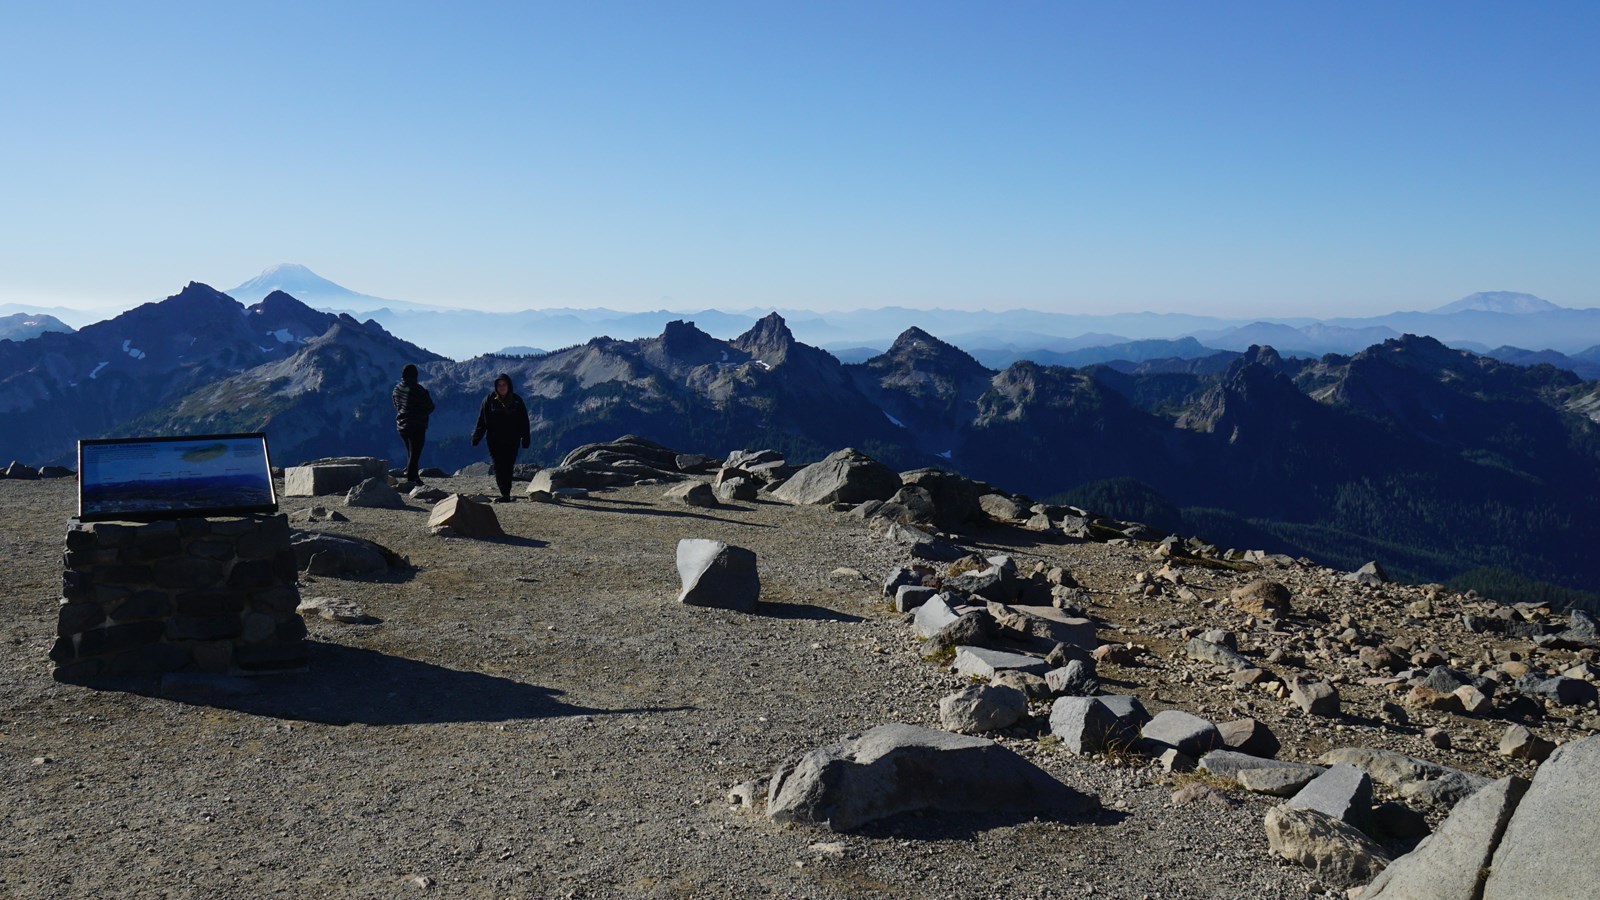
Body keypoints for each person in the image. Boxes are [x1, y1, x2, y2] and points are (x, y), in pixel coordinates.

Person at [471, 372, 531, 501]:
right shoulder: (489, 400)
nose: (502, 387)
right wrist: (477, 437)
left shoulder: (517, 400)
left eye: (504, 385)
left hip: (512, 440)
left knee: (508, 466)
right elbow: (482, 420)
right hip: (494, 440)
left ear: (509, 386)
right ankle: (504, 493)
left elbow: (524, 421)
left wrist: (526, 439)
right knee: (499, 466)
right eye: (499, 385)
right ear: (496, 386)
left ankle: (506, 493)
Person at [391, 363, 435, 484]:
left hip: (401, 425)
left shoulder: (397, 389)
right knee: (415, 453)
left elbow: (396, 405)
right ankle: (412, 479)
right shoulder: (419, 390)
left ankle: (413, 477)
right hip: (417, 425)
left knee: (410, 452)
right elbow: (430, 407)